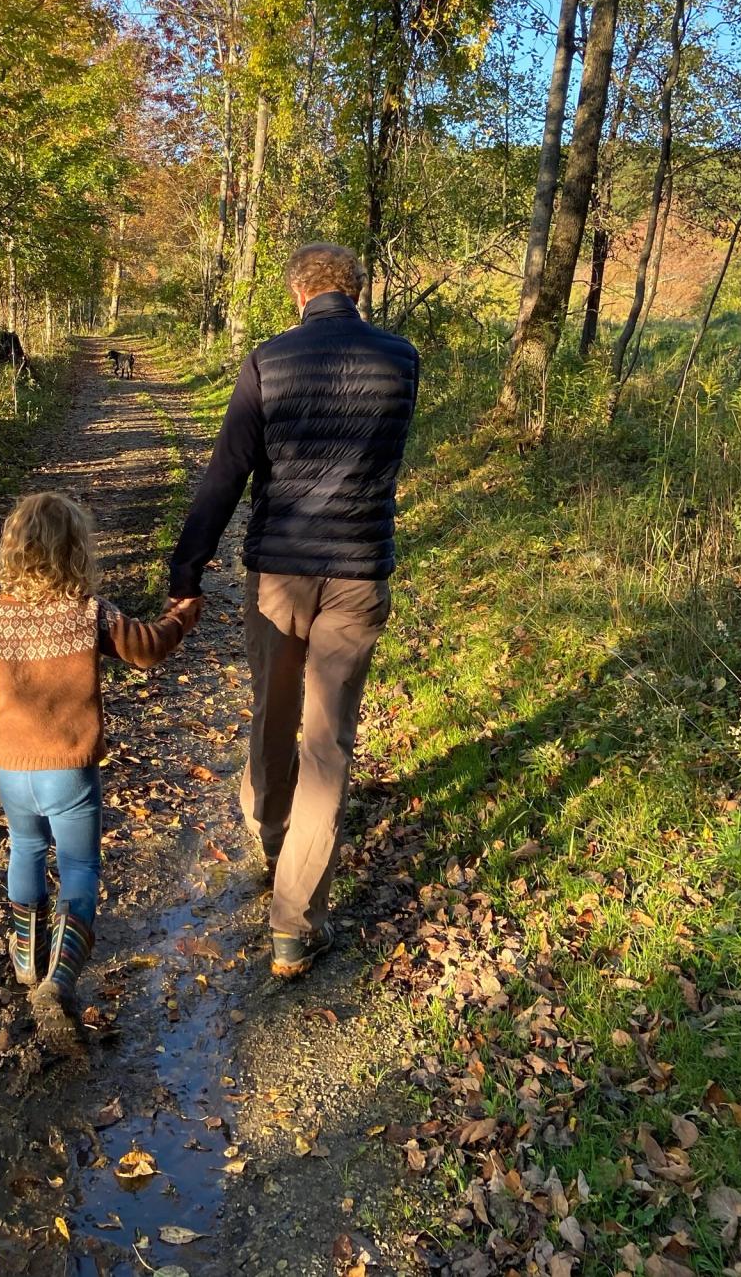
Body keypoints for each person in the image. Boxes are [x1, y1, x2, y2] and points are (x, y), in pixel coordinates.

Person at [168, 243, 418, 979]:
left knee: (273, 711)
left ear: (297, 295)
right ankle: (294, 923)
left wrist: (188, 568)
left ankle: (268, 829)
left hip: (278, 572)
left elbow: (226, 474)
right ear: (357, 292)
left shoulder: (266, 361)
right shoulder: (401, 360)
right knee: (328, 742)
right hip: (358, 573)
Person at [0, 492, 201, 1028]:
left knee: (25, 847)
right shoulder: (89, 612)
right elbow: (149, 648)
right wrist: (179, 617)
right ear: (76, 552)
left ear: (13, 551)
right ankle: (59, 980)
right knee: (80, 866)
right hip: (70, 769)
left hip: (13, 770)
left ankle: (25, 961)